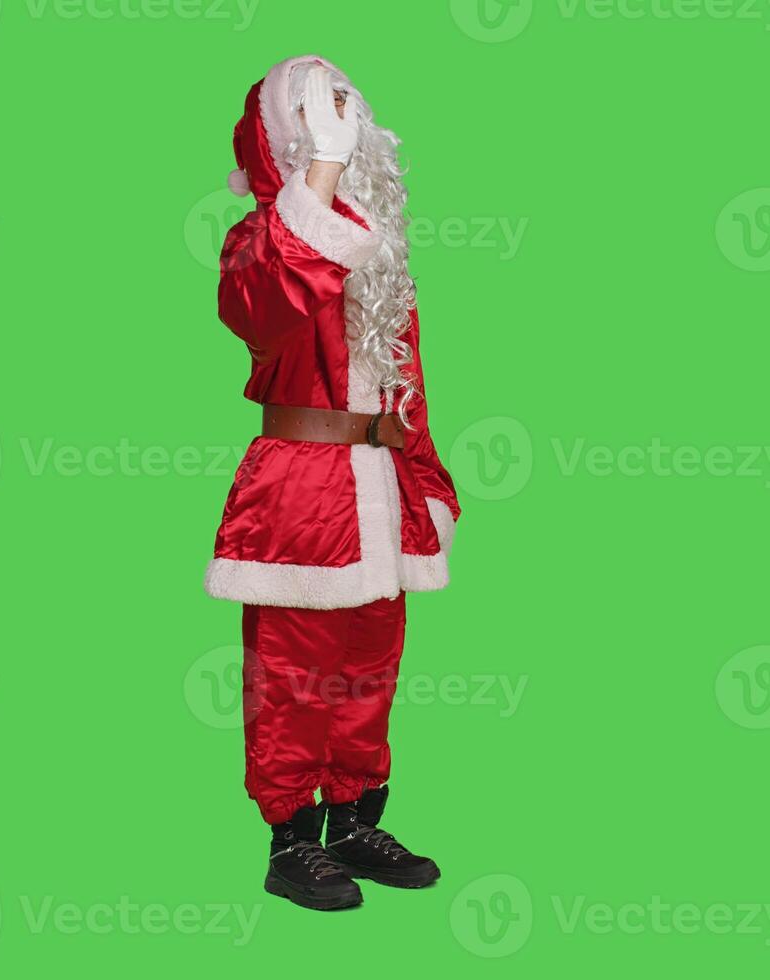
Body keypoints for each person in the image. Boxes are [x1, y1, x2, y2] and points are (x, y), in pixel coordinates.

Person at [207, 54, 461, 911]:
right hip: (301, 489)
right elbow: (270, 302)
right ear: (287, 138)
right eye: (320, 116)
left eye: (347, 110)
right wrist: (316, 168)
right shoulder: (256, 244)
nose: (343, 125)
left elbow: (405, 379)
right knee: (290, 673)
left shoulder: (377, 250)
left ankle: (352, 821)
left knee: (368, 669)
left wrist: (427, 483)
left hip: (379, 485)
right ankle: (290, 843)